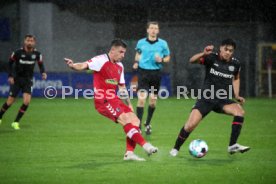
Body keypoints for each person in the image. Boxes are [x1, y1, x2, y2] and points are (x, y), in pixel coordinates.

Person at [64, 39, 158, 161]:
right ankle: (146, 146)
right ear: (112, 50)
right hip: (102, 100)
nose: (123, 55)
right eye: (121, 52)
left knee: (135, 121)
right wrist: (73, 65)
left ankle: (129, 154)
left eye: (124, 53)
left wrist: (129, 105)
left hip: (114, 99)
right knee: (125, 120)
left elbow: (122, 88)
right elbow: (83, 65)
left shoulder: (120, 66)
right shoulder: (100, 60)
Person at [170, 39, 250, 156]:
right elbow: (192, 60)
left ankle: (232, 145)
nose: (227, 52)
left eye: (230, 51)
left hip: (222, 100)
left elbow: (236, 78)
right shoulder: (211, 58)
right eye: (226, 50)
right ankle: (175, 149)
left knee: (239, 111)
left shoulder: (235, 64)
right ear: (221, 48)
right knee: (190, 125)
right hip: (206, 98)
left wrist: (236, 95)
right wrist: (203, 53)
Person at [0, 34, 47, 130]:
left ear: (34, 42)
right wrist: (10, 76)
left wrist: (43, 73)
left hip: (28, 80)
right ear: (24, 41)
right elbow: (10, 63)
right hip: (17, 79)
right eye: (28, 40)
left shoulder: (37, 54)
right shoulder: (17, 52)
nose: (29, 42)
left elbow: (41, 64)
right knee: (9, 102)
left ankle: (16, 122)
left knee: (26, 102)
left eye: (31, 41)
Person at [133, 21, 170, 135]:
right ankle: (138, 126)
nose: (153, 30)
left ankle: (147, 123)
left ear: (158, 31)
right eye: (152, 28)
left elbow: (168, 57)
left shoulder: (163, 44)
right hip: (143, 73)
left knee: (153, 102)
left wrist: (162, 60)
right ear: (148, 30)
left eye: (156, 28)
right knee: (141, 99)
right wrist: (136, 62)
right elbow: (138, 54)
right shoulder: (141, 42)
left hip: (156, 74)